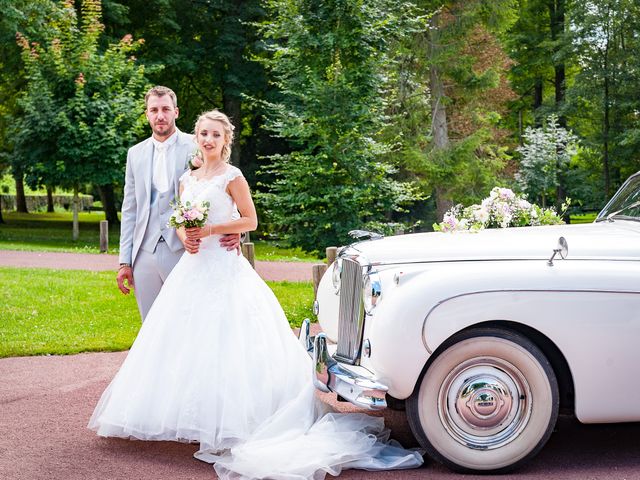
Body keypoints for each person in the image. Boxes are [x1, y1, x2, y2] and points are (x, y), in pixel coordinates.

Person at [89, 110, 423, 480]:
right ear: (196, 138)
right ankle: (192, 417)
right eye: (203, 134)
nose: (208, 140)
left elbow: (250, 220)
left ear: (225, 139)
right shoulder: (186, 180)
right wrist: (189, 239)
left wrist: (214, 228)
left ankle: (234, 419)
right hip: (194, 268)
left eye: (215, 134)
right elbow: (183, 223)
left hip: (225, 268)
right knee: (184, 341)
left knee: (230, 341)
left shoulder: (233, 177)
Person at [116, 86, 240, 321]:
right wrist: (125, 260)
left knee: (187, 322)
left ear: (176, 112)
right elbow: (130, 209)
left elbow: (223, 188)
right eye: (154, 110)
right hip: (144, 252)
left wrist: (237, 231)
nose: (160, 115)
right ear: (147, 114)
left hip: (187, 251)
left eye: (165, 109)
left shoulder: (198, 144)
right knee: (150, 325)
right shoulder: (135, 154)